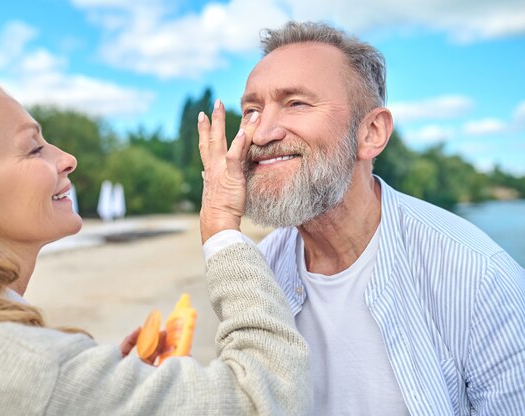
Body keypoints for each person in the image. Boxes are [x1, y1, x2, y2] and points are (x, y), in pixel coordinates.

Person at [0, 61, 312, 415]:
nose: (67, 158)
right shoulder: (19, 366)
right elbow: (264, 399)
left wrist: (111, 384)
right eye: (33, 149)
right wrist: (222, 227)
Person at [201, 21, 525, 415]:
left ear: (371, 132)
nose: (262, 132)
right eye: (251, 110)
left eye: (296, 103)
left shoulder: (480, 279)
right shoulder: (258, 269)